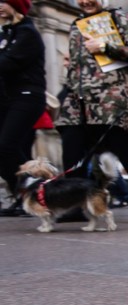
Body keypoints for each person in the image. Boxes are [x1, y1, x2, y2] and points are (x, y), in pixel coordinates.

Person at [56, 0, 128, 223]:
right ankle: (75, 204)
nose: (85, 2)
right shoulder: (77, 24)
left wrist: (105, 47)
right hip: (78, 100)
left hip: (109, 99)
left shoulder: (119, 18)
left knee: (124, 150)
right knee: (71, 146)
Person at [0, 0, 44, 217]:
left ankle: (33, 192)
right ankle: (24, 194)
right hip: (7, 99)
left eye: (3, 1)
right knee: (10, 150)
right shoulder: (7, 33)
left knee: (6, 146)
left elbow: (6, 63)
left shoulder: (27, 32)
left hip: (27, 97)